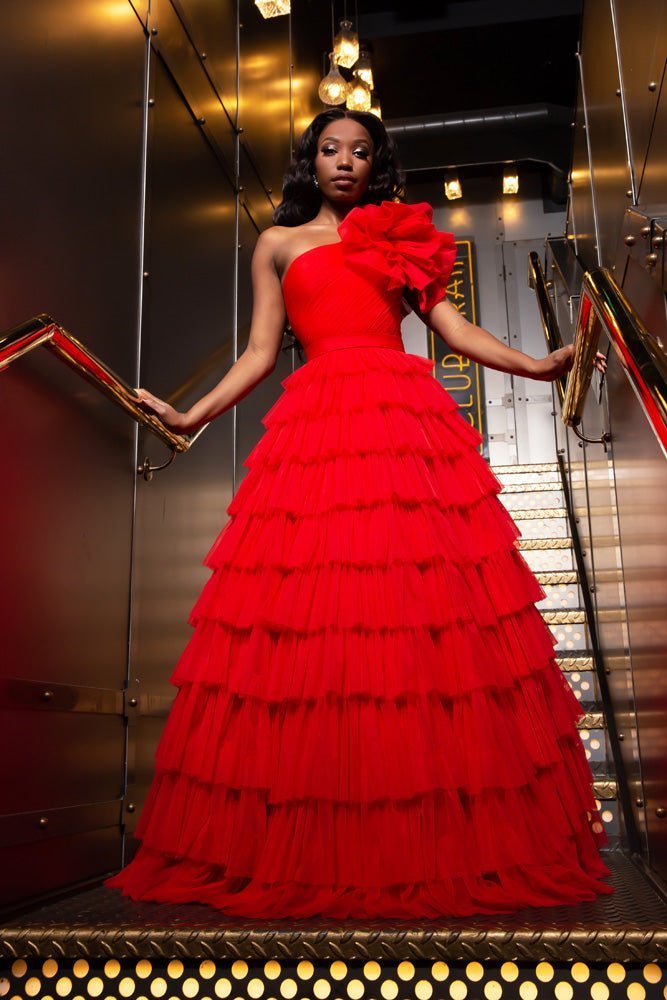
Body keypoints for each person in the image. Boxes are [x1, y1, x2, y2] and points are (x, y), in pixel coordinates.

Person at [104, 108, 612, 919]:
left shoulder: (400, 231)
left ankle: (429, 835)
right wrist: (190, 415)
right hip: (316, 425)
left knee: (418, 617)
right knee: (317, 622)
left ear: (376, 162)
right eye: (330, 149)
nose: (345, 161)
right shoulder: (276, 244)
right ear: (310, 160)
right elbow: (261, 352)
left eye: (360, 151)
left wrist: (532, 364)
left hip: (402, 416)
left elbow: (446, 326)